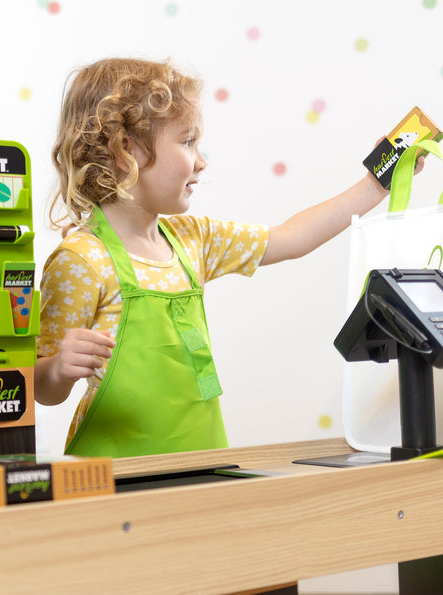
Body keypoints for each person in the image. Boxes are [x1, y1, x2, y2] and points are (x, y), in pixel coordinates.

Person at [35, 57, 394, 458]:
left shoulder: (194, 239)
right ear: (126, 150)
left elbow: (289, 239)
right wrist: (57, 368)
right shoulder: (80, 261)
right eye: (187, 142)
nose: (201, 160)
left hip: (202, 463)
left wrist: (375, 184)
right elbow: (42, 389)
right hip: (115, 478)